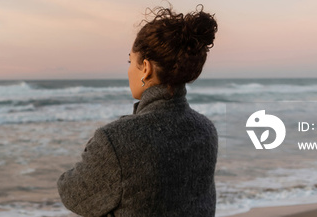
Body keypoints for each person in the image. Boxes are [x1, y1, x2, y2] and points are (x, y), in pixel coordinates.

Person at [57, 4, 218, 217]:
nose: (128, 69)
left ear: (146, 67)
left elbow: (74, 195)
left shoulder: (116, 139)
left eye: (130, 61)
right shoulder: (206, 129)